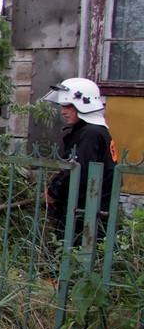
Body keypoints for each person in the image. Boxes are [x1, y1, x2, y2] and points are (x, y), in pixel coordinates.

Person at [40, 77, 116, 240]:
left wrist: (54, 191)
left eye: (68, 106)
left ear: (83, 104)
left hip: (85, 213)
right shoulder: (91, 131)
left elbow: (78, 169)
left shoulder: (91, 134)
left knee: (72, 257)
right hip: (86, 210)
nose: (63, 111)